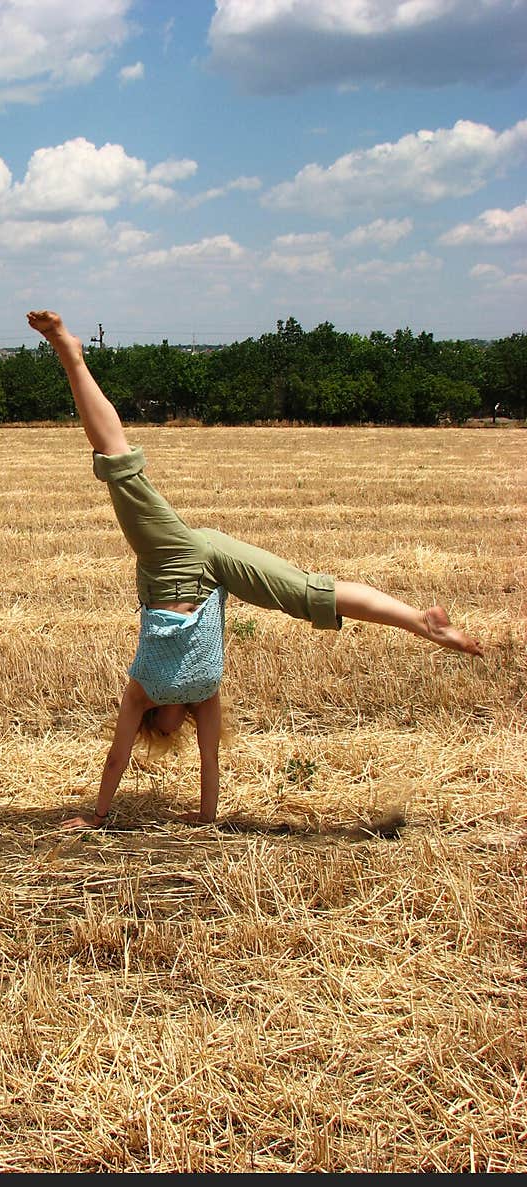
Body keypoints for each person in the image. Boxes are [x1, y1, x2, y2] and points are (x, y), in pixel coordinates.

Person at [26, 310, 483, 829]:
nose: (175, 732)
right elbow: (211, 762)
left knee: (117, 462)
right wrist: (205, 817)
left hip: (173, 558)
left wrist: (98, 815)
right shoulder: (206, 695)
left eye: (165, 732)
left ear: (156, 722)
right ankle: (425, 624)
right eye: (178, 733)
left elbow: (116, 757)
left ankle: (69, 351)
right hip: (215, 566)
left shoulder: (140, 694)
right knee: (309, 595)